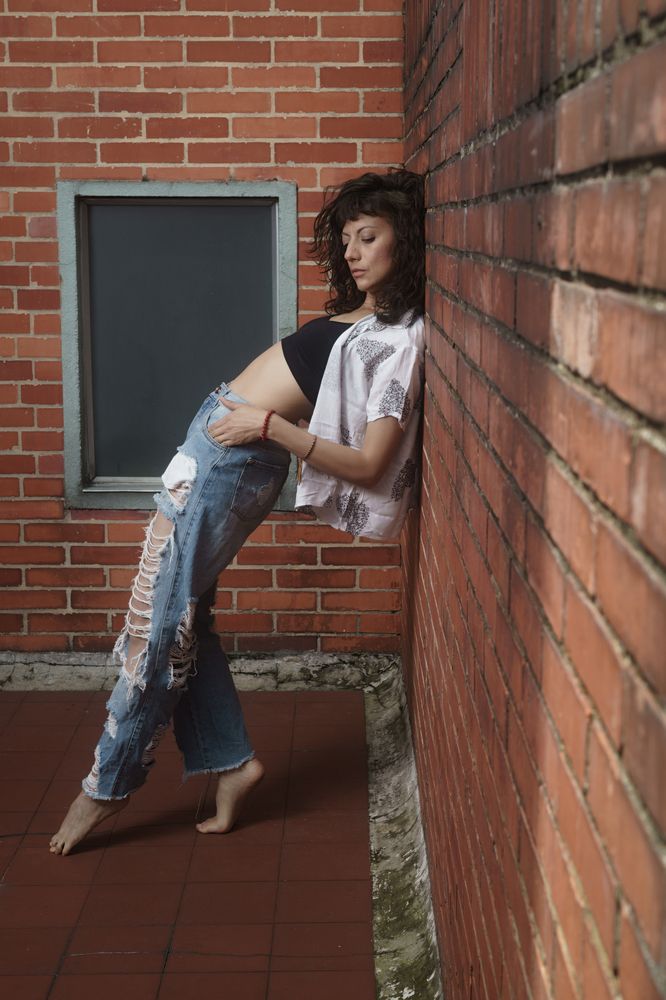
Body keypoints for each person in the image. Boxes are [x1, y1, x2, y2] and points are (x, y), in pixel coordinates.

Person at [50, 169, 426, 856]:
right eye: (346, 238)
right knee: (184, 617)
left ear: (406, 241)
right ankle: (229, 762)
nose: (352, 251)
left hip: (234, 456)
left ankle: (106, 786)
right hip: (216, 445)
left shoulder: (400, 340)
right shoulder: (366, 318)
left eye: (369, 237)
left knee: (158, 624)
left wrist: (266, 425)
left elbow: (372, 463)